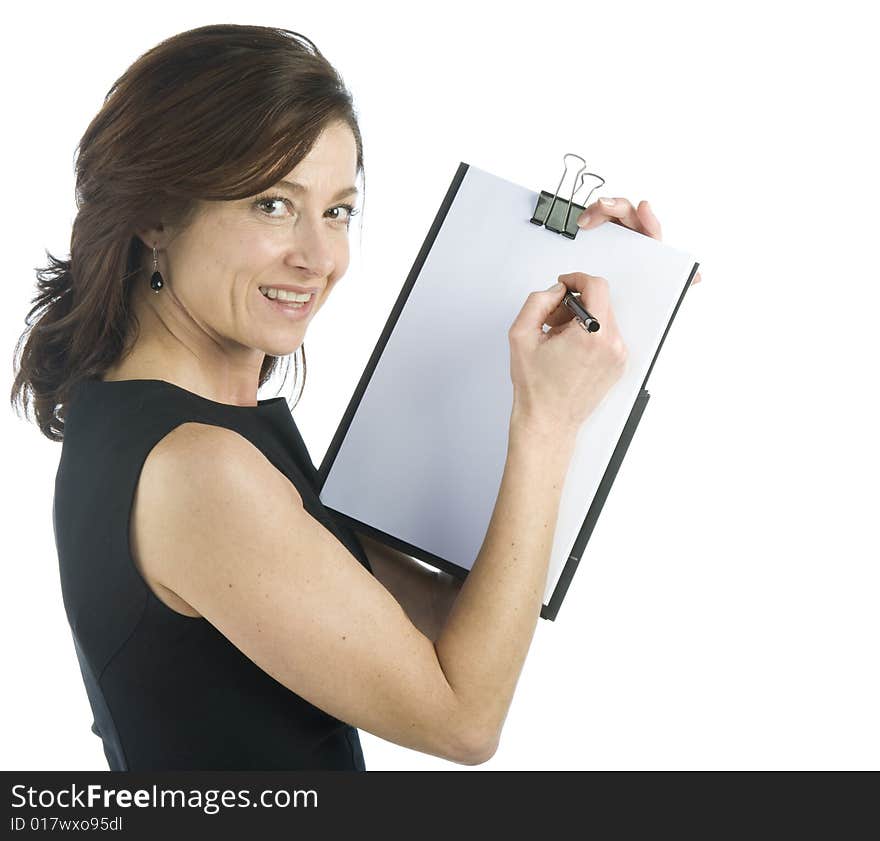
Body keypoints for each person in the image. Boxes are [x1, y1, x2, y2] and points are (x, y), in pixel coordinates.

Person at [10, 24, 702, 771]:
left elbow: (451, 625)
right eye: (272, 205)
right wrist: (546, 423)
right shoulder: (200, 468)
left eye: (338, 210)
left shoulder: (180, 430)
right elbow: (464, 719)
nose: (319, 256)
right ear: (156, 214)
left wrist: (624, 308)